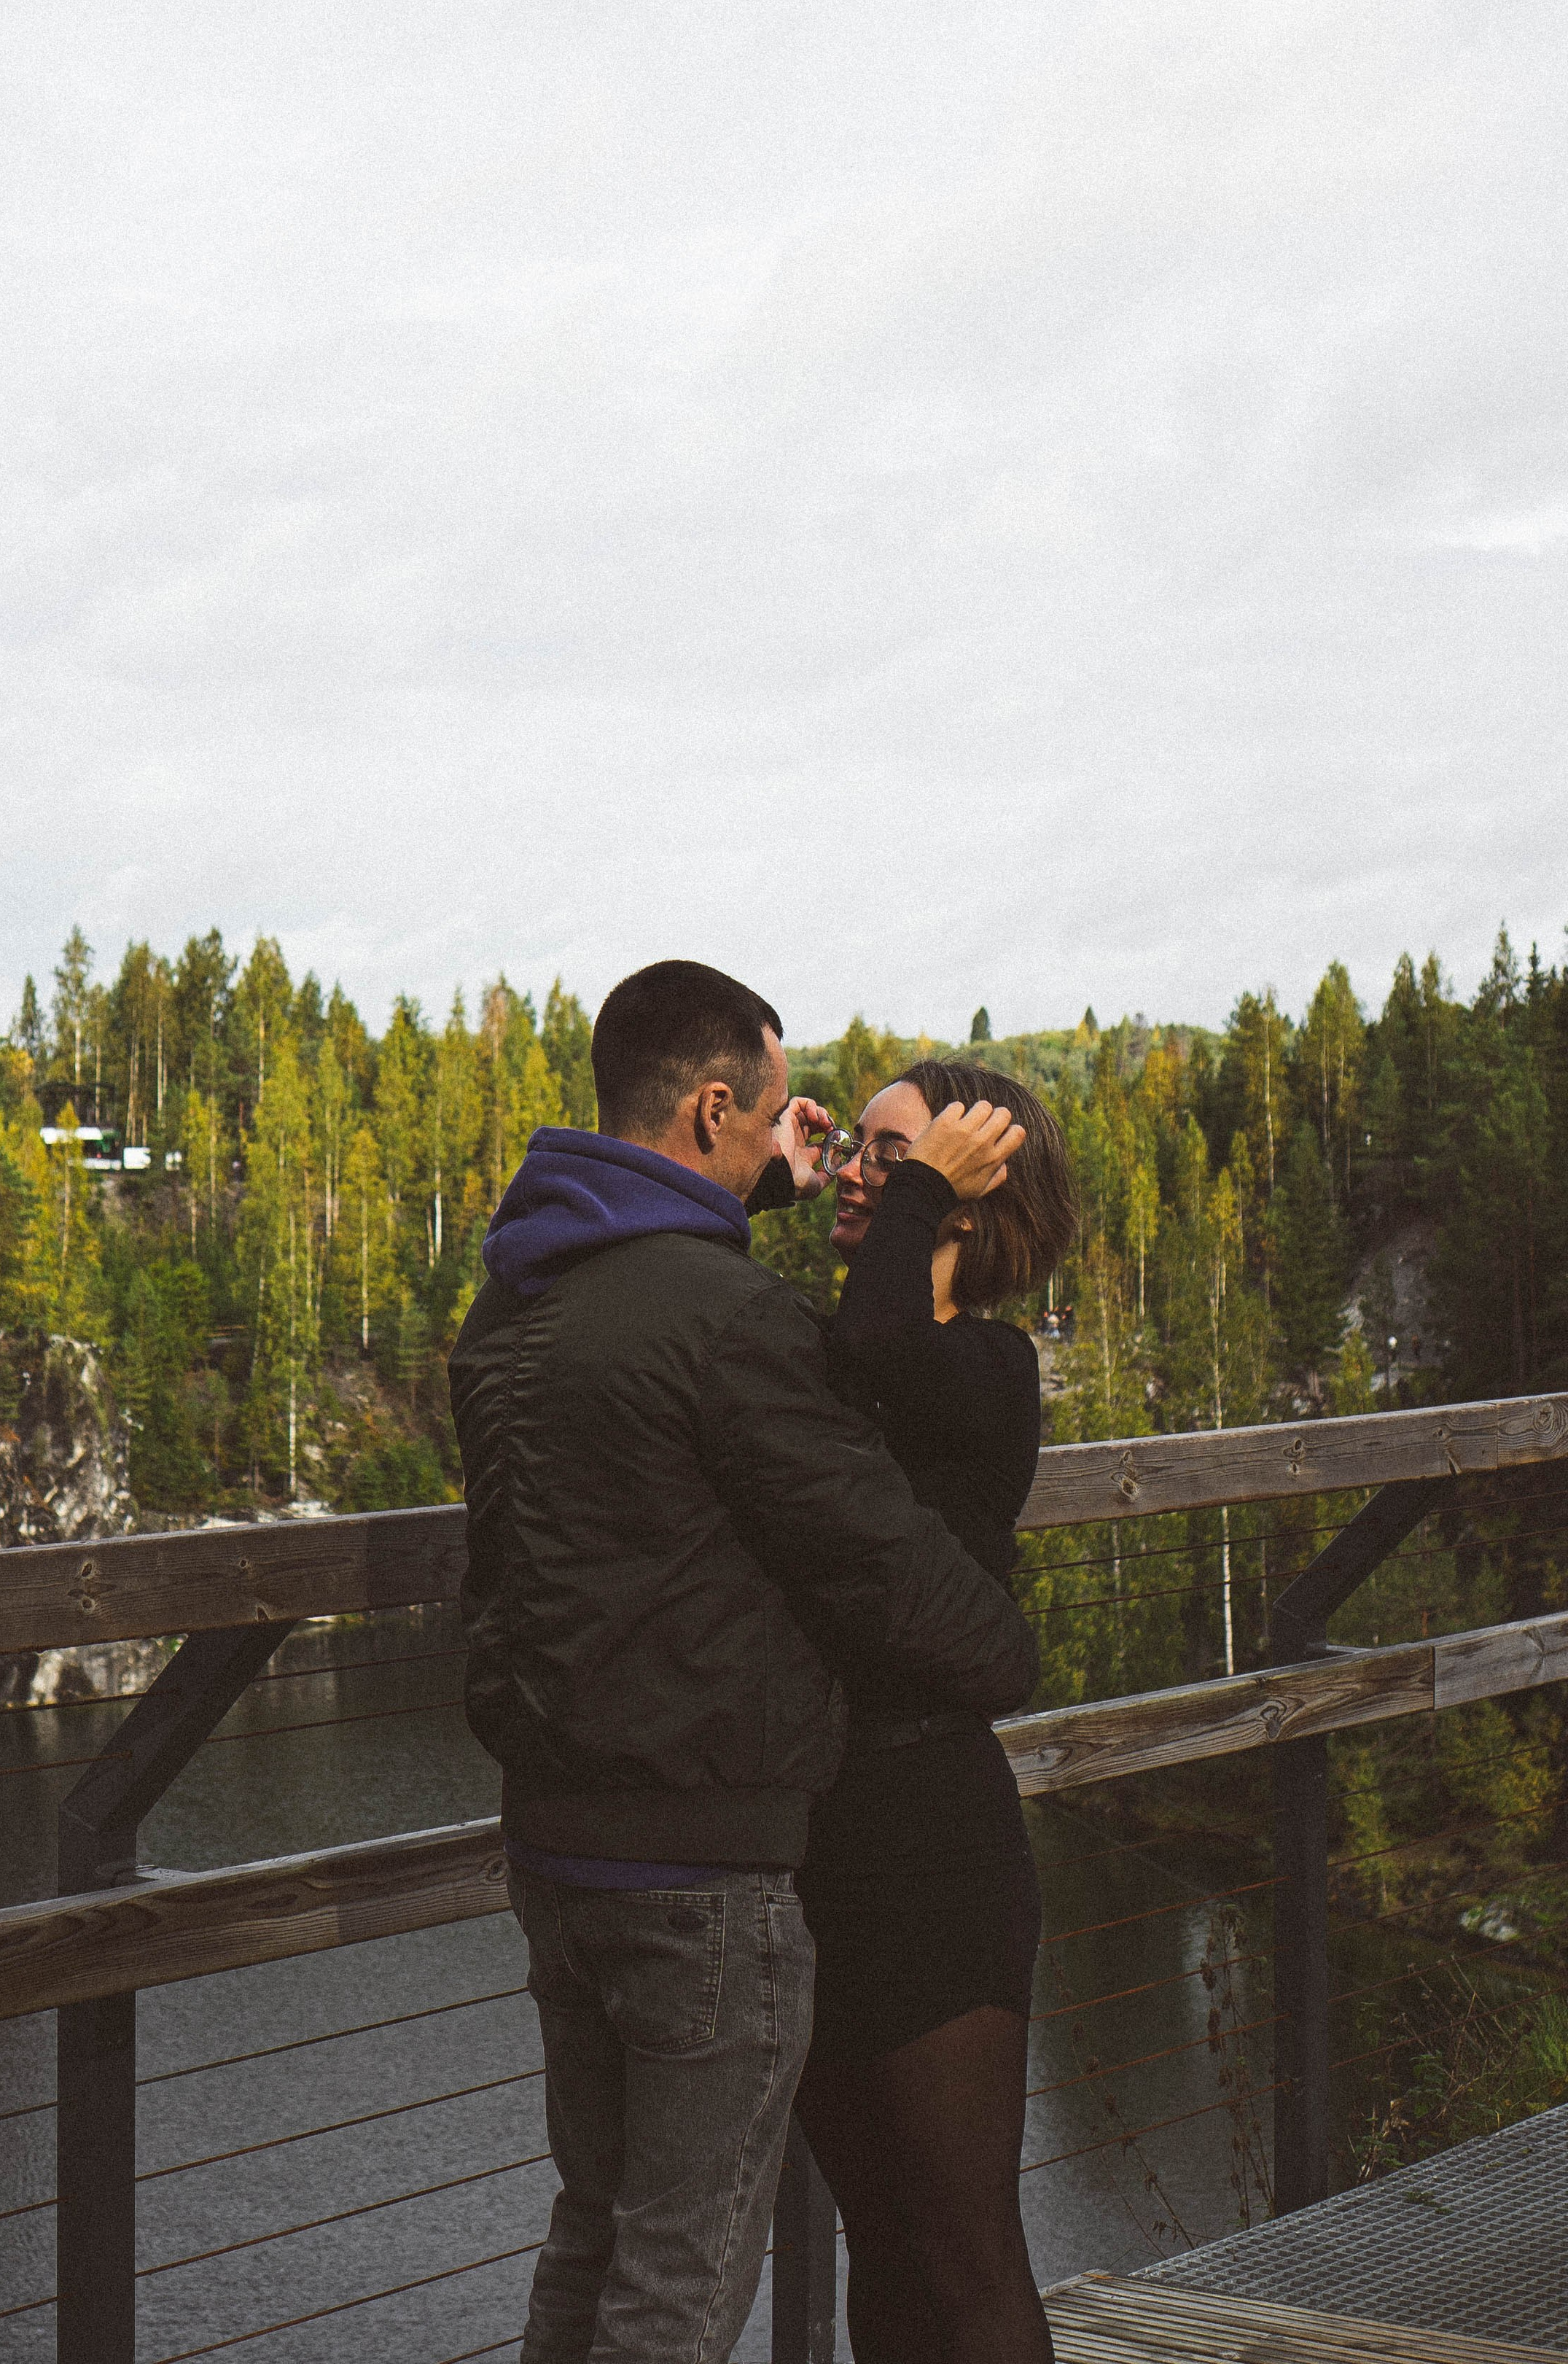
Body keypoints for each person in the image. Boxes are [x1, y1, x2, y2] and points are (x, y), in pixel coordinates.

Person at [450, 965, 1040, 2364]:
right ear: (720, 1107)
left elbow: (798, 1346)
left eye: (882, 1158)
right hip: (720, 1856)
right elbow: (873, 1543)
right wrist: (1009, 1654)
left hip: (587, 1849)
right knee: (680, 2274)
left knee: (612, 2238)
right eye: (802, 1126)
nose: (830, 1160)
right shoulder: (735, 1325)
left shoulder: (516, 1301)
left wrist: (756, 1171)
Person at [762, 1058, 1077, 2364]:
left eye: (892, 1160)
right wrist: (763, 1169)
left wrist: (920, 1189)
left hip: (934, 1847)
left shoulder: (983, 1367)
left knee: (964, 2256)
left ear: (960, 1200)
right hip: (821, 1843)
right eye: (858, 1157)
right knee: (879, 2245)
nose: (857, 1176)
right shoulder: (836, 1356)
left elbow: (888, 1337)